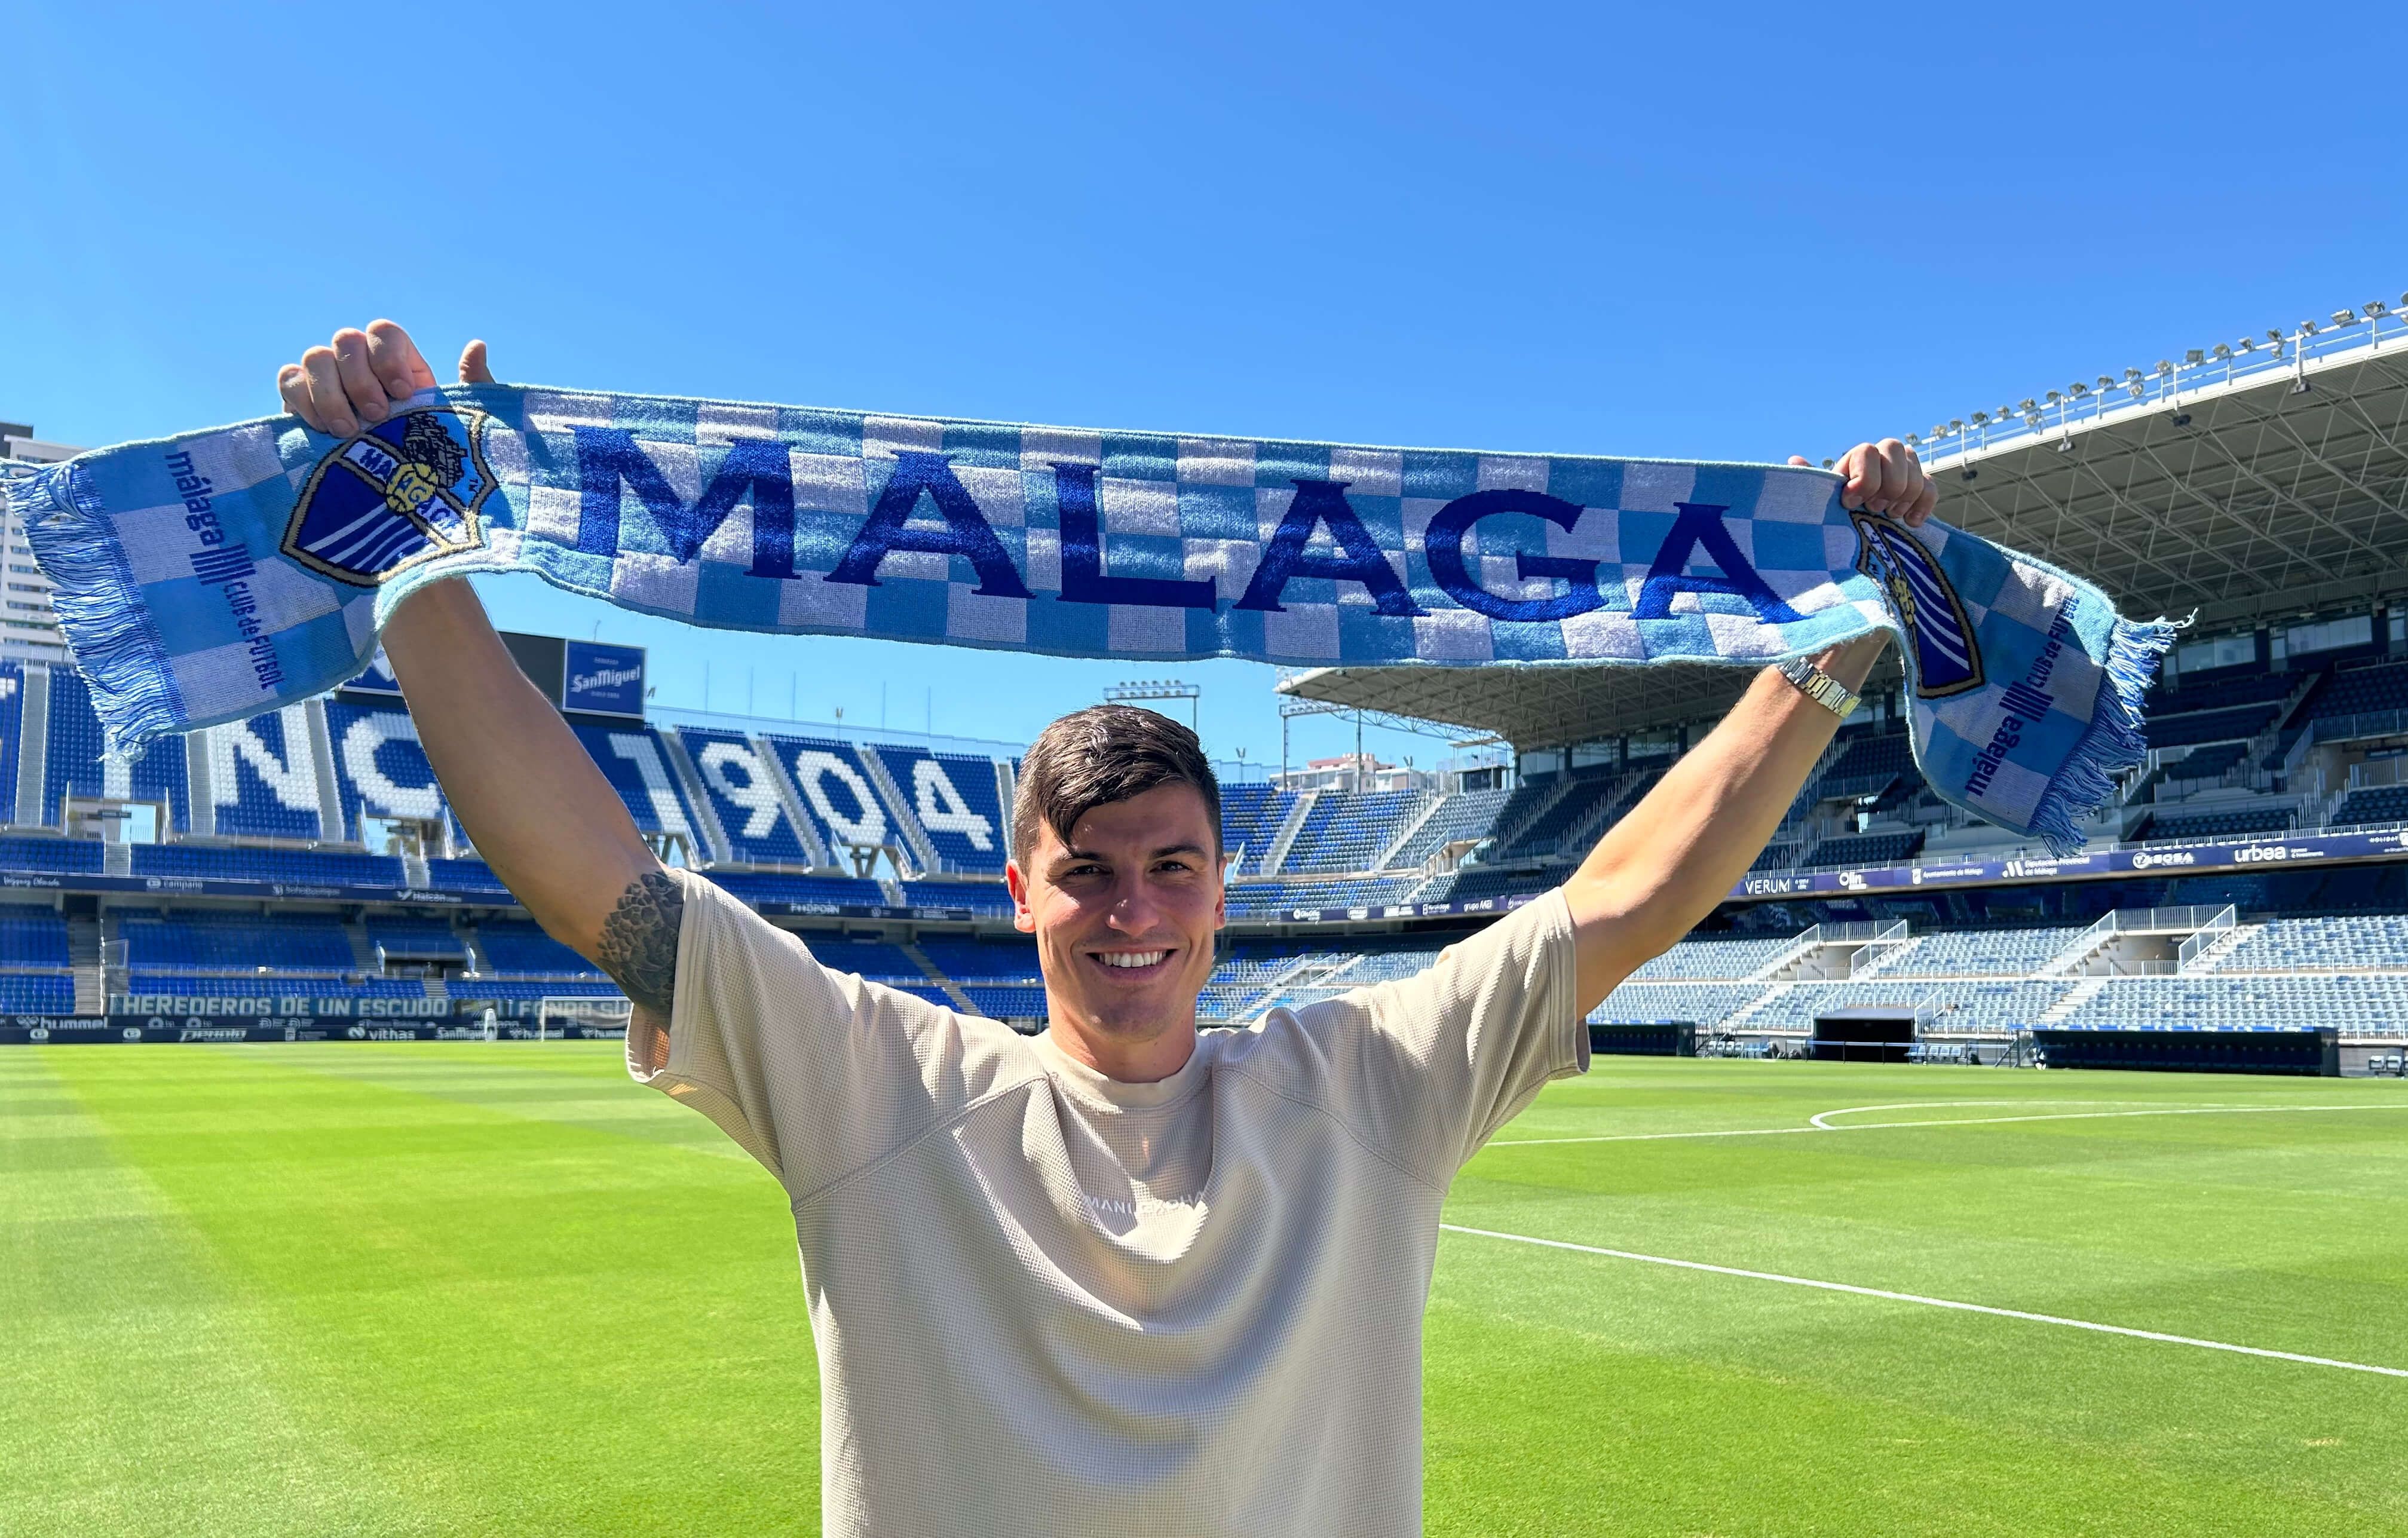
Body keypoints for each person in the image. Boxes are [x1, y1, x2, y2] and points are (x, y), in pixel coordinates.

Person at [278, 320, 1936, 1537]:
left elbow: (1627, 896)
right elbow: (599, 886)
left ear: (1226, 891)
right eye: (1087, 871)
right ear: (1022, 889)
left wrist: (1834, 644)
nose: (1129, 910)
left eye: (1169, 868)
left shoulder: (1364, 1085)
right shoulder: (876, 1081)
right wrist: (423, 564)